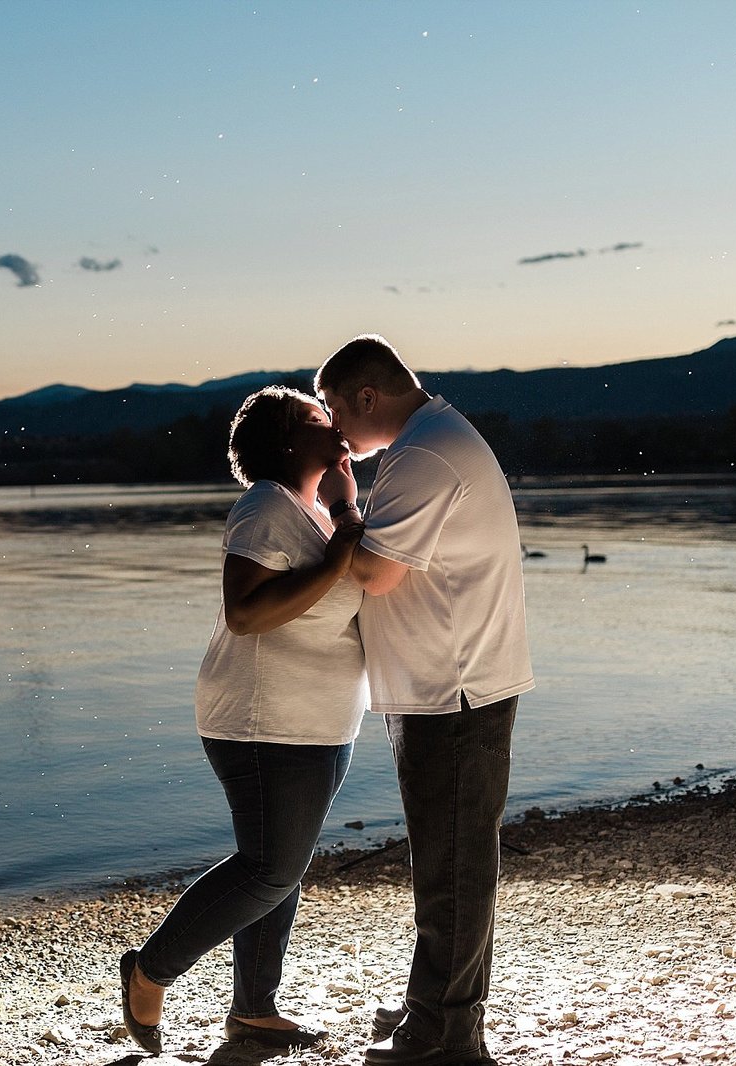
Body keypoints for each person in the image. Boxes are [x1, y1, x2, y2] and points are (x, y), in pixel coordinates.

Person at [119, 385, 367, 1054]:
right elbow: (245, 611)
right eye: (322, 420)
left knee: (277, 870)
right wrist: (345, 536)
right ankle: (150, 970)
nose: (337, 425)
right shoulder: (265, 505)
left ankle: (255, 1009)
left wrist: (344, 510)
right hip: (264, 722)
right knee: (268, 870)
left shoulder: (309, 509)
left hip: (316, 723)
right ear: (289, 441)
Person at [314, 335, 534, 1066]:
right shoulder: (431, 442)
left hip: (454, 689)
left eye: (334, 409)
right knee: (452, 859)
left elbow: (375, 573)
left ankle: (445, 1035)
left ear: (367, 396)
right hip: (449, 683)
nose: (333, 427)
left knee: (454, 865)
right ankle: (436, 1007)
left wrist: (343, 507)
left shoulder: (426, 455)